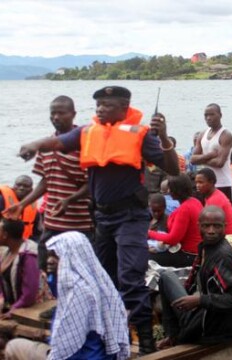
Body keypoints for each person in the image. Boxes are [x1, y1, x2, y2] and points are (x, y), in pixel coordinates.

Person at [18, 85, 180, 354]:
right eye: (98, 107)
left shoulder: (139, 135)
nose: (101, 110)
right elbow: (58, 142)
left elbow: (172, 169)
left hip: (131, 216)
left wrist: (163, 137)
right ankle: (112, 333)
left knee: (130, 277)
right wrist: (34, 145)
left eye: (107, 106)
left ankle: (146, 341)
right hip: (102, 218)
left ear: (124, 108)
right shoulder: (86, 132)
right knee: (103, 278)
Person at [5, 232, 130, 360]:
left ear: (73, 257)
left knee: (13, 347)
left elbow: (69, 346)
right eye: (49, 256)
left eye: (56, 256)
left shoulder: (79, 292)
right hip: (90, 355)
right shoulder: (97, 282)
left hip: (82, 357)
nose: (49, 261)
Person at [4, 96, 92, 271]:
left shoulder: (85, 145)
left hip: (79, 222)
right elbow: (45, 181)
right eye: (53, 113)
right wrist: (22, 205)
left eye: (61, 113)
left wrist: (70, 200)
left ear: (73, 114)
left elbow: (93, 183)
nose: (56, 117)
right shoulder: (45, 145)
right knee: (45, 266)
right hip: (52, 221)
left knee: (80, 269)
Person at [157, 206, 232, 348]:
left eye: (216, 226)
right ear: (199, 226)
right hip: (203, 316)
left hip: (214, 330)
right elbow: (192, 282)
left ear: (225, 227)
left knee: (166, 278)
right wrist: (190, 297)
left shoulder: (222, 256)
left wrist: (199, 300)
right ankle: (173, 335)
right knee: (165, 276)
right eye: (206, 226)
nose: (211, 231)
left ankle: (177, 337)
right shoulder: (205, 247)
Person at [148, 174, 203, 268]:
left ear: (177, 190)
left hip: (188, 255)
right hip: (195, 252)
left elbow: (173, 239)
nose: (168, 192)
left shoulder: (184, 209)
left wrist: (149, 233)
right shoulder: (194, 201)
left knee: (147, 257)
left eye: (170, 189)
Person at [190, 103, 232, 205]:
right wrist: (209, 155)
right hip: (206, 185)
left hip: (224, 183)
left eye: (212, 114)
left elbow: (220, 163)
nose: (208, 118)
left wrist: (201, 160)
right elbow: (192, 159)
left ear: (220, 115)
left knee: (225, 218)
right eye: (206, 115)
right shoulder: (202, 134)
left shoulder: (225, 135)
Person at [0, 218, 39, 319]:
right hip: (12, 306)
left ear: (5, 235)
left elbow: (29, 295)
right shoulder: (5, 253)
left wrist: (13, 310)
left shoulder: (29, 256)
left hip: (29, 312)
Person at [195, 168, 232, 235]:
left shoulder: (215, 200)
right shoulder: (211, 195)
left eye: (201, 182)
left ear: (211, 182)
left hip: (229, 238)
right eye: (196, 182)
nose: (197, 185)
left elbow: (211, 227)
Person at [0, 175, 40, 241]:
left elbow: (37, 231)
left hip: (24, 240)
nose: (21, 188)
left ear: (31, 190)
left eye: (26, 186)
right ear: (13, 187)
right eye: (18, 185)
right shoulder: (2, 200)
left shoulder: (33, 207)